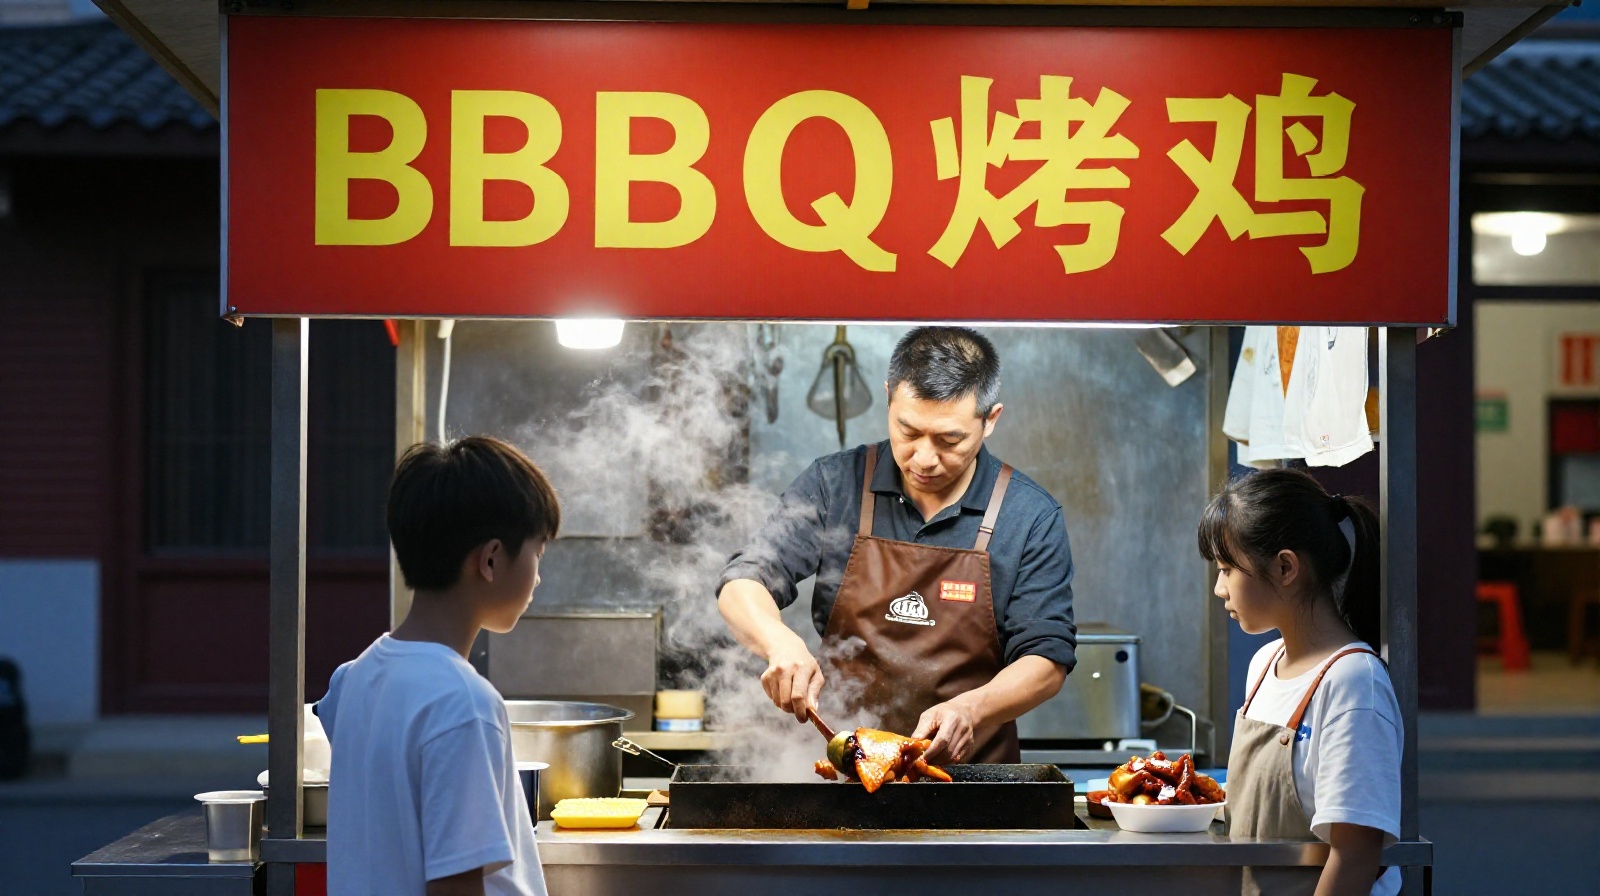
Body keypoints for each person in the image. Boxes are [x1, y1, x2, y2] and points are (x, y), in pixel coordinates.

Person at [718, 326, 1076, 764]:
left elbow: (1047, 659)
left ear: (991, 419)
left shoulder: (1029, 515)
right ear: (889, 398)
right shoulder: (835, 484)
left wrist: (970, 709)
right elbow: (745, 579)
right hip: (844, 774)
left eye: (950, 440)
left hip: (971, 786)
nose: (923, 458)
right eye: (907, 431)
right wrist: (778, 642)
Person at [319, 436, 560, 896]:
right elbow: (455, 885)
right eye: (537, 554)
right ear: (490, 559)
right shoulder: (463, 703)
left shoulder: (352, 679)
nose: (538, 576)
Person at [1198, 468, 1401, 896]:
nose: (1220, 589)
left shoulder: (1353, 682)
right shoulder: (1263, 664)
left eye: (1227, 569)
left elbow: (1356, 857)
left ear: (1286, 567)